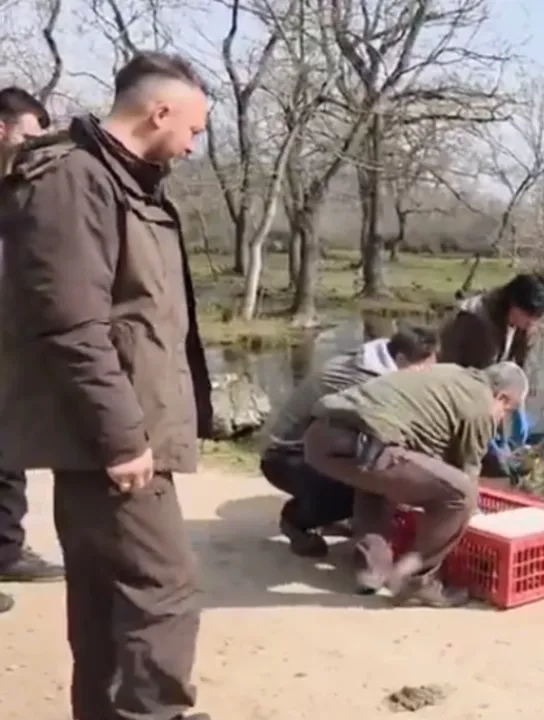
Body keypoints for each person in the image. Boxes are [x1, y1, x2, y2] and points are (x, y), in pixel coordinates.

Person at [0, 52, 213, 720]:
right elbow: (71, 324)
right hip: (110, 437)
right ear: (160, 112)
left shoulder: (123, 181)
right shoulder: (77, 181)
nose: (194, 144)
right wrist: (122, 437)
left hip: (111, 432)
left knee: (105, 597)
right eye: (194, 129)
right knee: (162, 591)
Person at [302, 361, 529, 606]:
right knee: (462, 495)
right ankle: (416, 580)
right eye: (507, 411)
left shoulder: (450, 373)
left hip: (320, 437)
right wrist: (473, 514)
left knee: (378, 482)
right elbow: (467, 472)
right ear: (502, 397)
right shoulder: (481, 405)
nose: (502, 417)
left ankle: (371, 570)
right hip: (365, 442)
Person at [260, 326, 438, 557]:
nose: (427, 375)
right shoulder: (368, 381)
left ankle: (332, 515)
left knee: (373, 474)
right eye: (424, 368)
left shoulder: (372, 358)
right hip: (284, 456)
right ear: (402, 359)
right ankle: (295, 520)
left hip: (310, 448)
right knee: (368, 486)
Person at [0, 87, 61, 615]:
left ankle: (6, 550)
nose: (35, 144)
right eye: (29, 134)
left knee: (8, 449)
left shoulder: (17, 191)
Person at [439, 273, 544, 478]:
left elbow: (516, 372)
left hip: (487, 387)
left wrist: (517, 406)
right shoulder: (474, 320)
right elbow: (459, 375)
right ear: (513, 303)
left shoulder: (525, 325)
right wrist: (482, 425)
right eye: (530, 316)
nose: (533, 322)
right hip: (454, 389)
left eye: (537, 317)